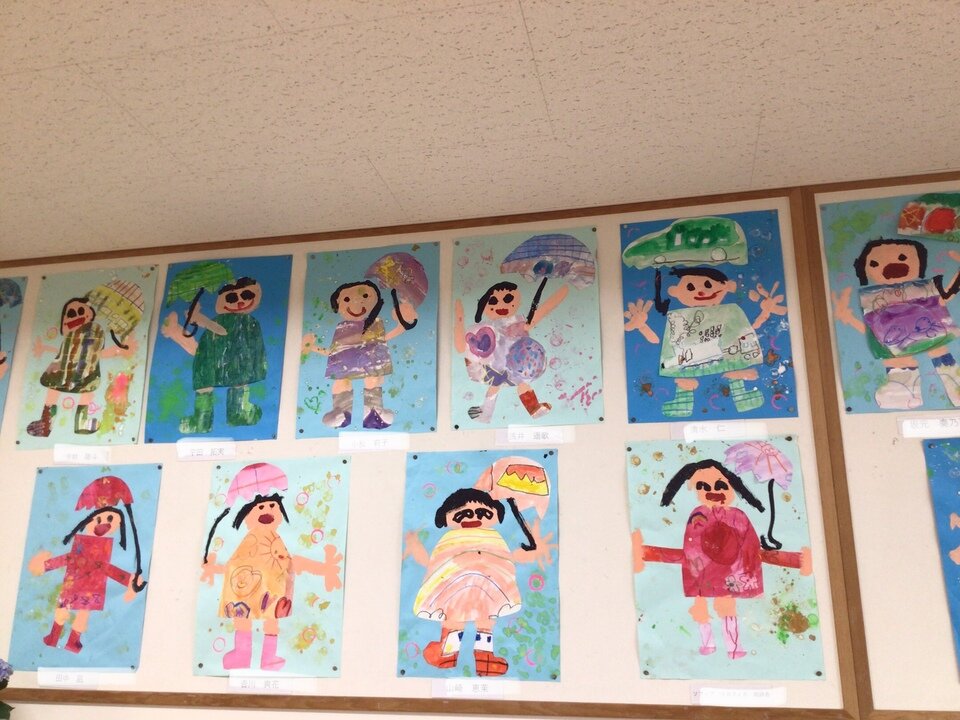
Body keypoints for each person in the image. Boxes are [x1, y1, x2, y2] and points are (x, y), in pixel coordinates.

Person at [632, 459, 812, 659]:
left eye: (720, 485)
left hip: (731, 571)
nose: (712, 491)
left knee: (727, 607)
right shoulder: (698, 515)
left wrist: (743, 568)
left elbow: (749, 545)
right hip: (703, 570)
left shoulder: (737, 516)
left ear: (731, 487)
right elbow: (692, 544)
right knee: (701, 607)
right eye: (703, 486)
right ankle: (707, 644)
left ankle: (733, 647)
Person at [403, 487, 554, 676]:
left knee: (483, 619)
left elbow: (508, 557)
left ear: (496, 515)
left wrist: (532, 551)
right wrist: (415, 546)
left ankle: (484, 659)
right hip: (454, 588)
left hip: (488, 588)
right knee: (456, 619)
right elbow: (433, 563)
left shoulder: (494, 538)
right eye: (463, 514)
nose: (473, 517)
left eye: (483, 512)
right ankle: (448, 654)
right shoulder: (449, 539)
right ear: (445, 518)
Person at [201, 491, 343, 671]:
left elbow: (290, 562)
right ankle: (242, 654)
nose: (267, 510)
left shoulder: (276, 540)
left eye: (272, 506)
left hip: (272, 591)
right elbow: (233, 564)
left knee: (271, 619)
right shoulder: (250, 539)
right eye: (260, 507)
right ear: (248, 514)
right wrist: (214, 568)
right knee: (243, 618)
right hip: (244, 589)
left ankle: (268, 658)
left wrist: (321, 568)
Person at [624, 267, 785, 417]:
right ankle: (683, 404)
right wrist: (643, 326)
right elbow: (657, 341)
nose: (701, 291)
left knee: (735, 371)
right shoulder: (679, 317)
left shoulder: (730, 311)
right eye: (690, 287)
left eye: (708, 285)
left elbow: (749, 329)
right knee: (686, 378)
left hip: (728, 352)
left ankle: (742, 397)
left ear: (727, 286)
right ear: (675, 291)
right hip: (688, 358)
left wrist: (764, 313)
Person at [832, 238, 960, 408]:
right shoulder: (873, 298)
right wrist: (848, 318)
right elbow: (872, 328)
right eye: (875, 263)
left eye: (902, 257)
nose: (891, 266)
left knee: (940, 354)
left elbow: (948, 294)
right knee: (898, 361)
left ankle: (955, 387)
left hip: (932, 332)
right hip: (895, 341)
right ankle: (904, 393)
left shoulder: (925, 288)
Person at [28, 476, 145, 654]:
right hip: (77, 584)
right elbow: (71, 559)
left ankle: (67, 641)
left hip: (89, 585)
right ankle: (57, 638)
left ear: (119, 525)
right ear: (89, 520)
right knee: (67, 611)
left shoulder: (102, 549)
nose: (105, 524)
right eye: (100, 519)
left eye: (111, 520)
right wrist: (46, 565)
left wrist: (129, 579)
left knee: (79, 614)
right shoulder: (83, 545)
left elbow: (105, 568)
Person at [302, 280, 416, 429]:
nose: (356, 302)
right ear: (337, 305)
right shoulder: (342, 327)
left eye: (365, 296)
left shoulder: (375, 324)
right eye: (347, 299)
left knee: (373, 379)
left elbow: (383, 339)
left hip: (371, 361)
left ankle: (374, 412)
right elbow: (335, 351)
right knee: (342, 381)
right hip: (345, 364)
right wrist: (313, 347)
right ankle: (342, 412)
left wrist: (401, 326)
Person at [161, 277, 266, 433]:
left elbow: (223, 331)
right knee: (206, 383)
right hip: (215, 359)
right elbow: (219, 331)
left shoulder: (250, 322)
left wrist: (199, 318)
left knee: (233, 382)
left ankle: (236, 413)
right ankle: (203, 421)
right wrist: (198, 318)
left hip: (235, 361)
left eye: (246, 295)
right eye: (231, 298)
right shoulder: (225, 320)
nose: (240, 302)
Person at [454, 281, 568, 423]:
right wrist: (459, 319)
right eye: (493, 301)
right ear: (484, 306)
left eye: (508, 299)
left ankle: (533, 409)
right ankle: (486, 412)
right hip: (496, 364)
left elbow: (540, 313)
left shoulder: (518, 322)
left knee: (520, 383)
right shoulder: (486, 328)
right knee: (497, 385)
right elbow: (462, 347)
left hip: (519, 363)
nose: (501, 305)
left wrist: (558, 295)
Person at [27, 296, 136, 436]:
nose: (76, 316)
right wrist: (44, 349)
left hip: (85, 371)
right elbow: (62, 352)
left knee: (86, 394)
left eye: (80, 311)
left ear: (90, 314)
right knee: (52, 392)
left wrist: (118, 351)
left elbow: (98, 353)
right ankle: (46, 422)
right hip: (62, 370)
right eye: (71, 313)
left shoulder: (94, 332)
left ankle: (81, 423)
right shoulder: (69, 337)